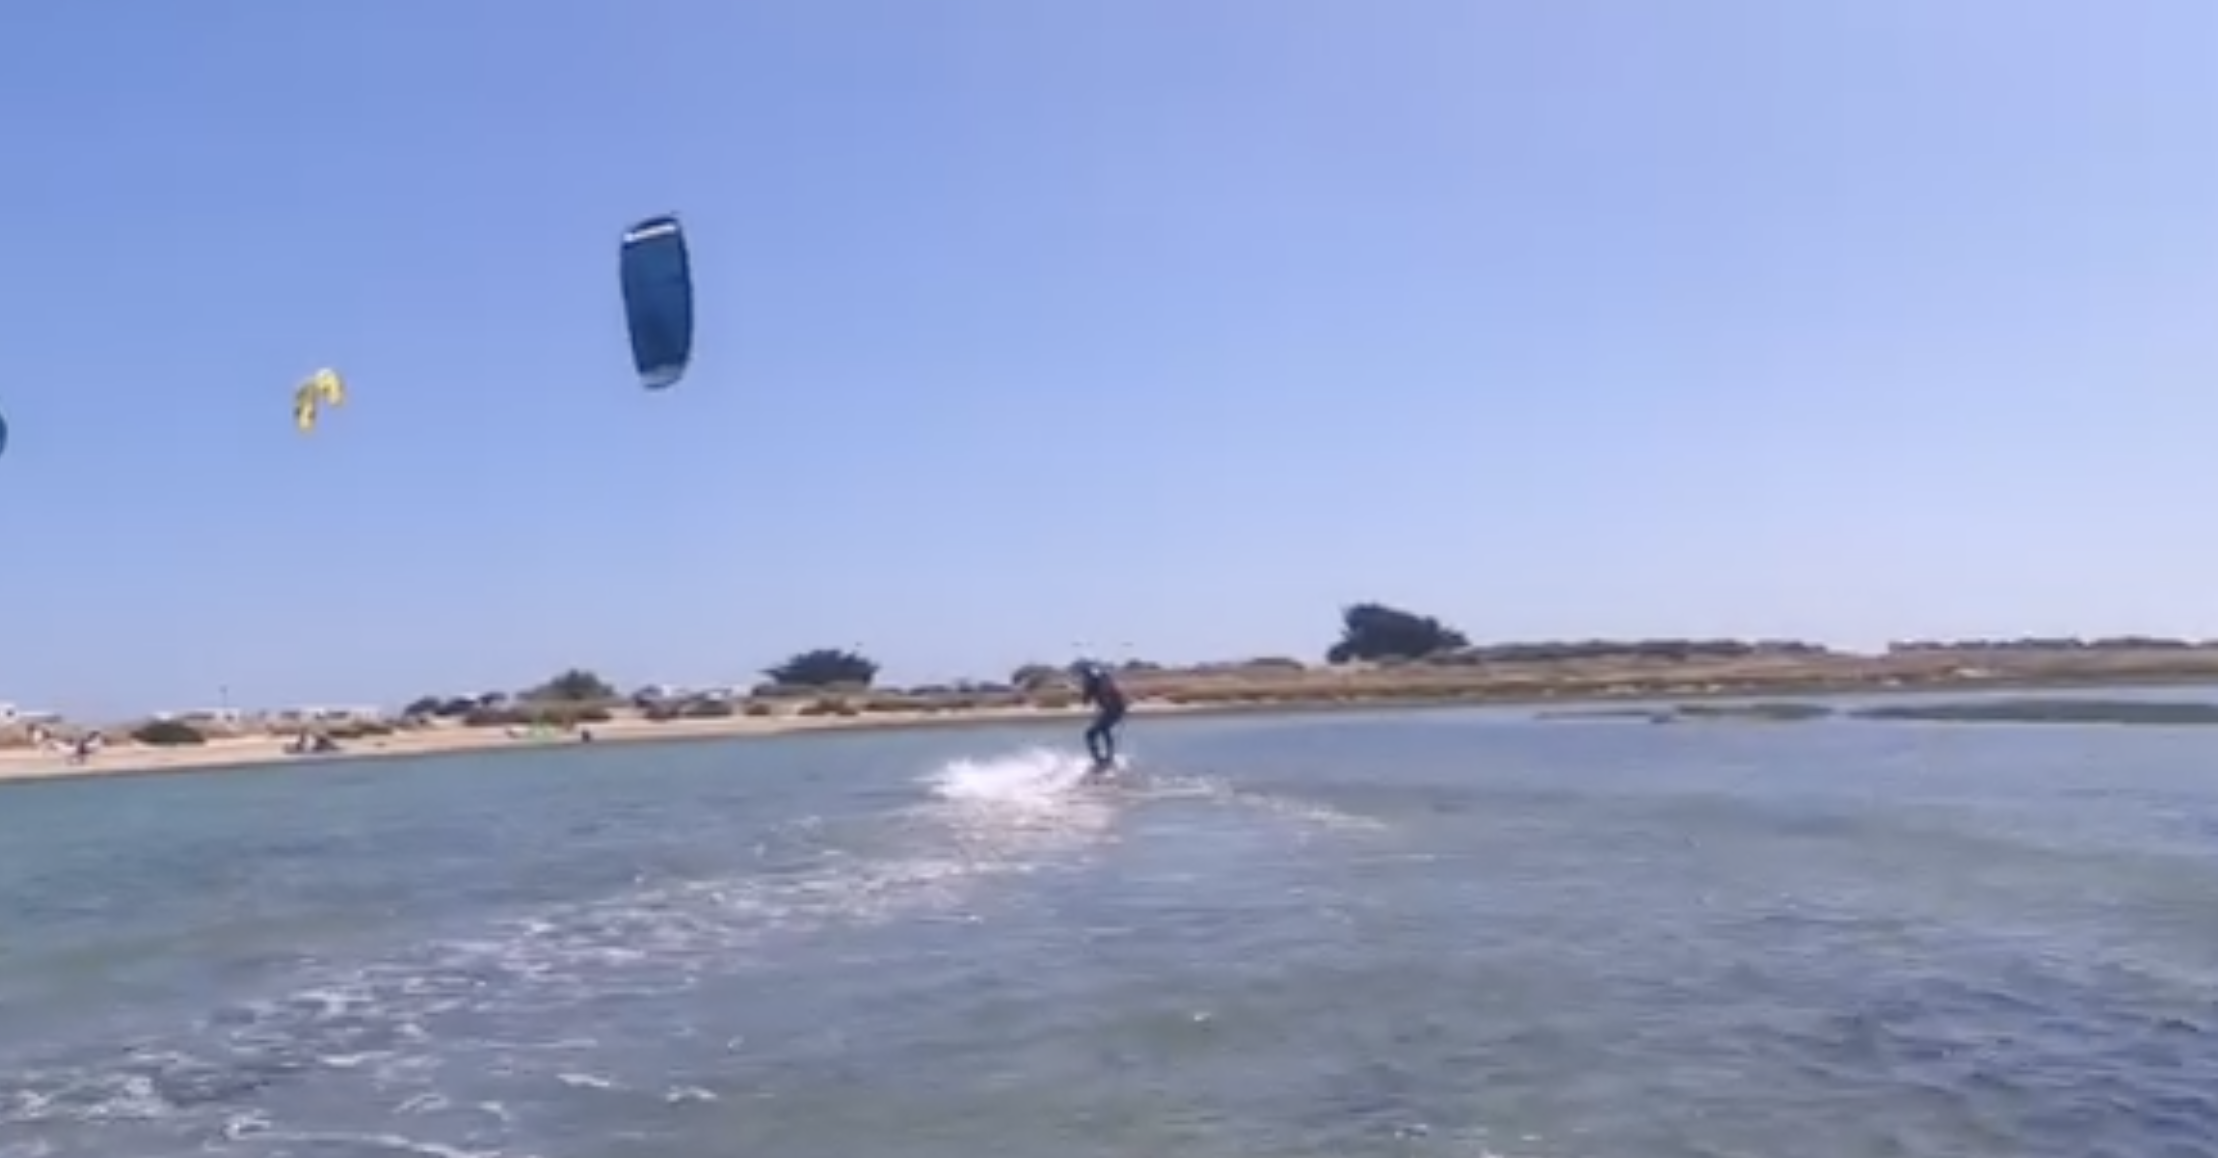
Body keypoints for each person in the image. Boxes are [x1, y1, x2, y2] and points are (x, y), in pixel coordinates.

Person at [1072, 659, 1127, 771]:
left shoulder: (1096, 680)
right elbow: (1086, 700)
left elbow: (1086, 700)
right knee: (1103, 730)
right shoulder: (1101, 678)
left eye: (1082, 673)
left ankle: (1102, 760)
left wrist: (1082, 692)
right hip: (1115, 710)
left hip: (1113, 710)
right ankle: (1105, 759)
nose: (1082, 677)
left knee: (1090, 734)